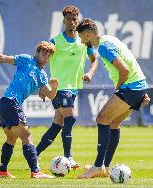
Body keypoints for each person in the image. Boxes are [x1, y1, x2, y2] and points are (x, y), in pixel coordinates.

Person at [0, 41, 57, 179]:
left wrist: (55, 87)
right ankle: (36, 171)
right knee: (27, 136)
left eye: (49, 54)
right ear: (37, 53)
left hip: (6, 104)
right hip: (9, 102)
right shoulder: (26, 60)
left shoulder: (42, 76)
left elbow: (50, 95)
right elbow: (1, 58)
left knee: (11, 138)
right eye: (43, 52)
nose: (46, 55)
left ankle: (2, 171)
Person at [75, 18, 151, 179]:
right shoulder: (110, 39)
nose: (81, 41)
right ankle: (104, 167)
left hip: (131, 86)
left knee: (102, 119)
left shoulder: (103, 46)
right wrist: (142, 89)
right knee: (114, 123)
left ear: (88, 35)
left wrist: (118, 90)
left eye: (81, 37)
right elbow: (132, 62)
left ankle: (97, 166)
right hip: (138, 85)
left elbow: (124, 70)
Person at [36, 5, 98, 169]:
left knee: (57, 125)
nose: (71, 22)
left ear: (78, 20)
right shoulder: (55, 41)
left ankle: (33, 154)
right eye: (68, 19)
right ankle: (68, 157)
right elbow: (40, 60)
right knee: (70, 118)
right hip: (59, 88)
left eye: (74, 19)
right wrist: (43, 86)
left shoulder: (84, 41)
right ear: (64, 21)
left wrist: (90, 73)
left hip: (73, 89)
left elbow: (94, 60)